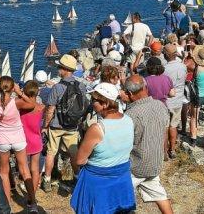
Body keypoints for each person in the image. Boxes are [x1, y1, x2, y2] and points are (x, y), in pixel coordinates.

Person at [71, 83, 136, 213]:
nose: (91, 103)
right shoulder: (129, 120)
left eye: (94, 100)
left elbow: (79, 160)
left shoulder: (97, 128)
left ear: (105, 104)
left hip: (98, 181)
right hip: (122, 177)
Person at [0, 75, 38, 210]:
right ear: (12, 88)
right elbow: (32, 104)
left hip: (2, 140)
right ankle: (32, 203)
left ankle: (7, 205)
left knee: (4, 172)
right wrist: (19, 92)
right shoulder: (16, 102)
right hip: (18, 138)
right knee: (25, 170)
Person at [123, 75, 173, 214]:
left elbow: (125, 143)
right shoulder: (160, 105)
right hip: (155, 163)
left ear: (130, 94)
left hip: (136, 167)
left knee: (118, 196)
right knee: (159, 194)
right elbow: (164, 131)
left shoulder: (131, 114)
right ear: (145, 87)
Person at [42, 54, 88, 192]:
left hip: (56, 125)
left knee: (51, 152)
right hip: (72, 125)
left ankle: (47, 181)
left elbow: (50, 109)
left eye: (59, 67)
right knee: (74, 153)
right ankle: (77, 178)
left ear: (65, 69)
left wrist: (45, 126)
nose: (58, 69)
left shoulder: (57, 87)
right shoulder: (81, 85)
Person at [19, 81, 45, 194]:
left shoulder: (21, 109)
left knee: (25, 169)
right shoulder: (41, 107)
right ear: (37, 92)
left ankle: (27, 188)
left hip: (23, 141)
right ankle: (32, 194)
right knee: (35, 169)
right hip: (36, 140)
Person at [163, 43, 187, 159]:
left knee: (165, 127)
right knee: (174, 126)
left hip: (167, 101)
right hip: (178, 100)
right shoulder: (183, 66)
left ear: (166, 55)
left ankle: (164, 151)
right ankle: (172, 149)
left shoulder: (165, 69)